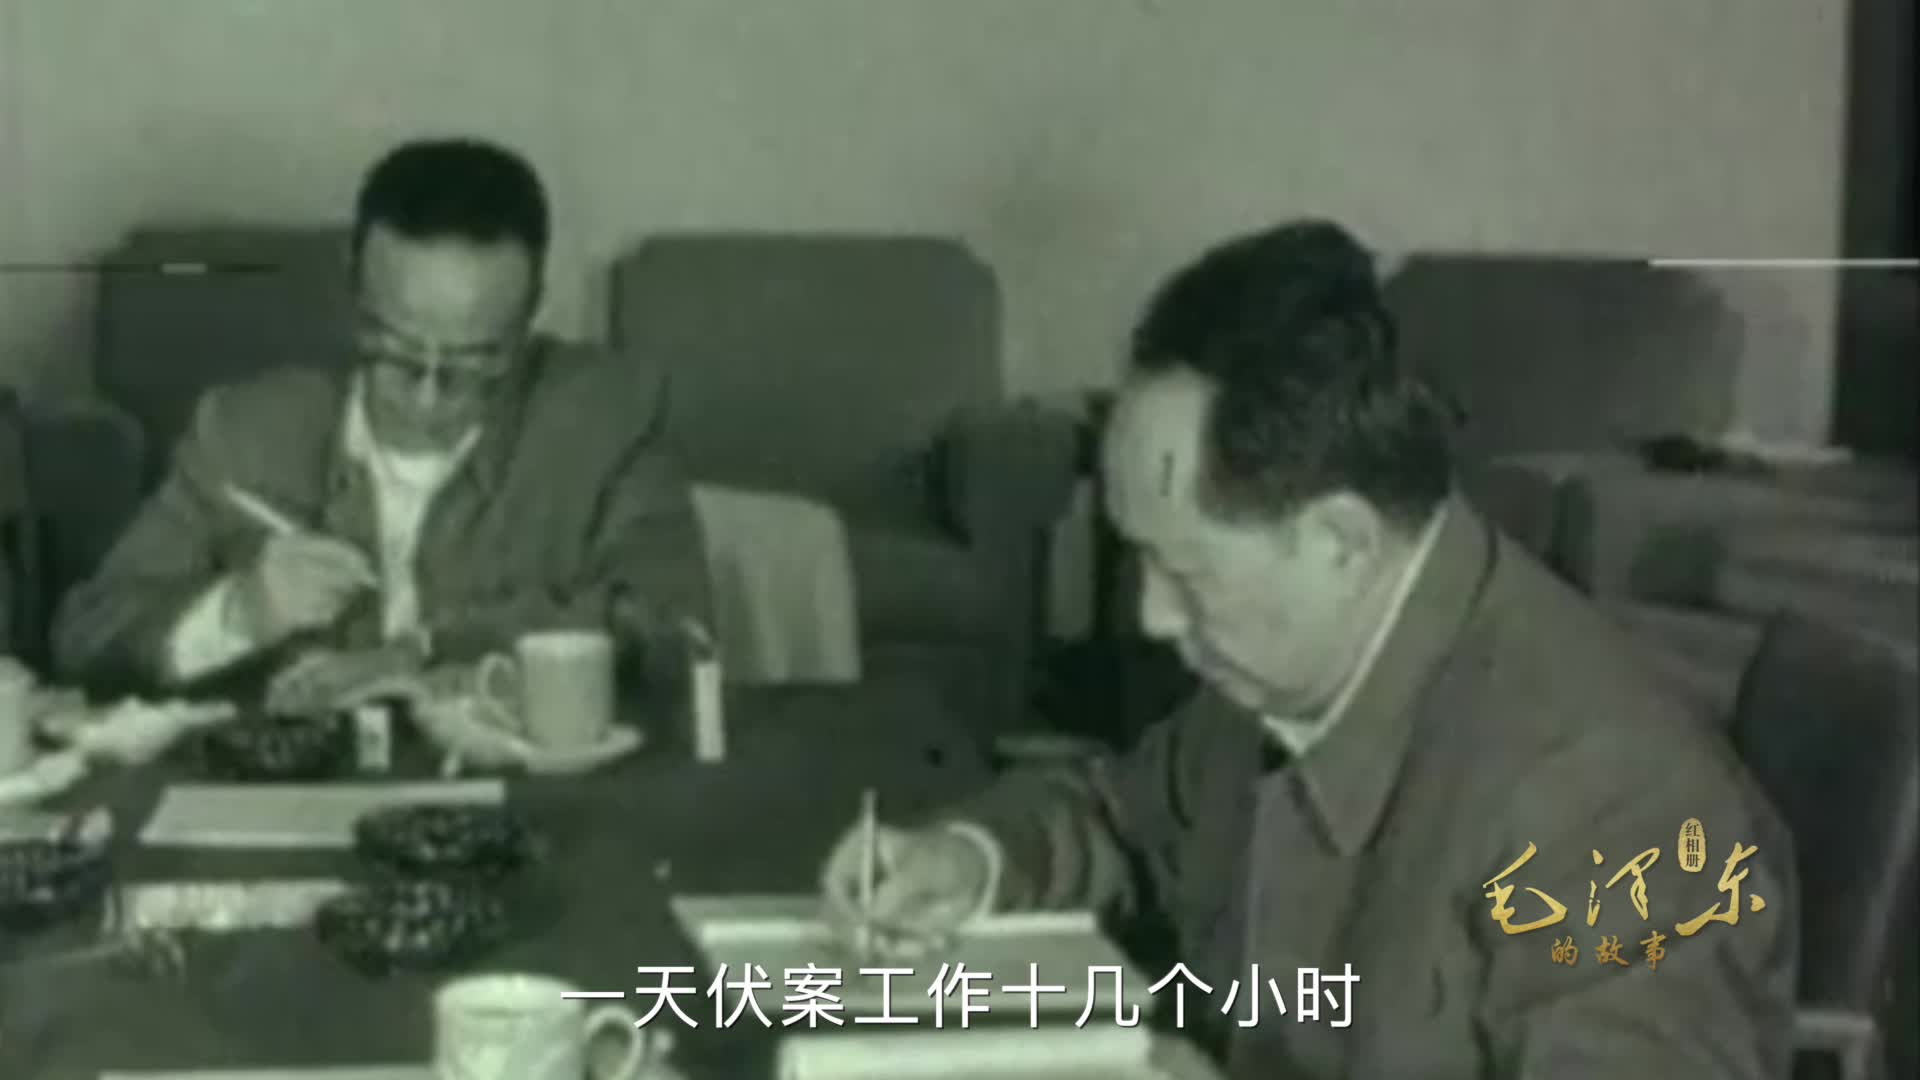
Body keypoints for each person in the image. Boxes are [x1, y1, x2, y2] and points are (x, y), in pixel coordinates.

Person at [818, 221, 1797, 1076]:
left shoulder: (1616, 808)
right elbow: (1122, 814)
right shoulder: (1301, 658)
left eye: (1184, 573)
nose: (1153, 617)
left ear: (1340, 541)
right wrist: (973, 857)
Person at [53, 137, 710, 713]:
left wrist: (424, 651)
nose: (427, 398)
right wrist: (239, 612)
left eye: (474, 363)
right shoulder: (244, 435)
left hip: (533, 799)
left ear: (531, 312)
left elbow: (672, 630)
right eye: (397, 352)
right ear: (353, 289)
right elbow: (85, 637)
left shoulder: (605, 417)